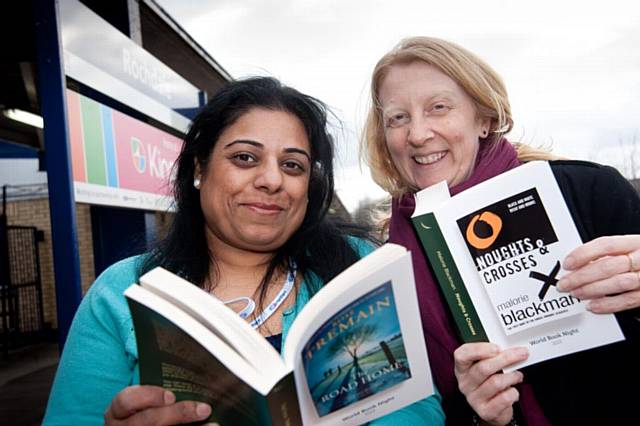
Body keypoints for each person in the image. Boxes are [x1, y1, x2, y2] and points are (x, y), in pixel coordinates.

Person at [43, 77, 444, 425]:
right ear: (199, 168)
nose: (271, 180)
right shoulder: (122, 292)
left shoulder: (355, 269)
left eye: (292, 165)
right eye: (244, 158)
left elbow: (416, 407)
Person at [361, 36, 640, 425]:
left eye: (438, 108)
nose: (418, 134)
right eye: (398, 118)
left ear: (484, 118)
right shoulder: (392, 261)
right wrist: (485, 417)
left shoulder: (586, 190)